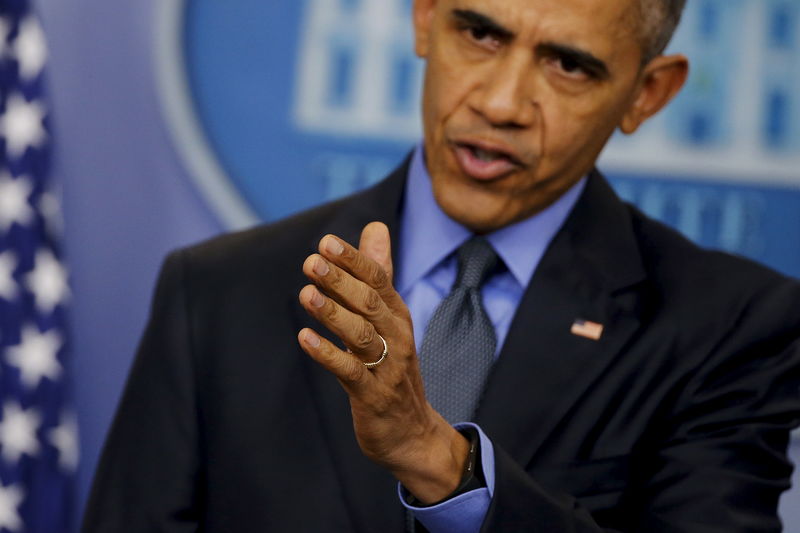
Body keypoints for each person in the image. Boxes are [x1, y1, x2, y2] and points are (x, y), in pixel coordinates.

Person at [83, 0, 800, 531]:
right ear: (425, 17)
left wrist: (438, 459)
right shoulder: (216, 291)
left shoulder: (731, 327)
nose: (499, 102)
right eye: (480, 32)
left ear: (649, 92)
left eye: (568, 64)